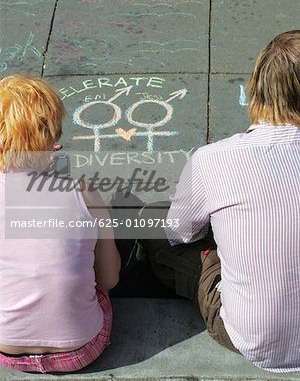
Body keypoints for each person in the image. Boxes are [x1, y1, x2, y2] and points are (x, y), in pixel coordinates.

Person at [137, 30, 300, 372]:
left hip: (251, 338)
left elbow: (178, 234)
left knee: (157, 222)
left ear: (255, 88)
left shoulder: (214, 158)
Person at [0, 74, 121, 373]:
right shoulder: (82, 192)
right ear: (50, 138)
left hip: (7, 350)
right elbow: (109, 280)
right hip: (81, 348)